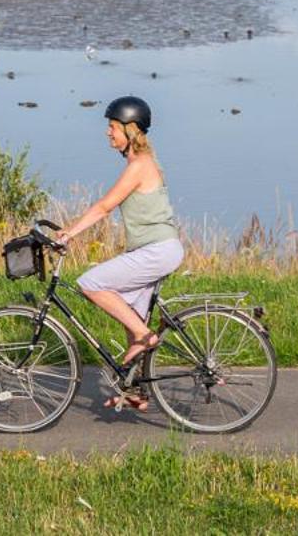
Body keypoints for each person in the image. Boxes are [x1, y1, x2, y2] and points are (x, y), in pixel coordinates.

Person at [52, 96, 183, 410]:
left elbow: (105, 206)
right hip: (158, 249)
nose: (108, 133)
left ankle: (146, 336)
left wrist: (69, 232)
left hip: (157, 250)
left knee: (91, 283)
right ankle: (135, 391)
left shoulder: (140, 165)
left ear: (130, 129)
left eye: (112, 127)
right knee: (131, 320)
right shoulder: (143, 160)